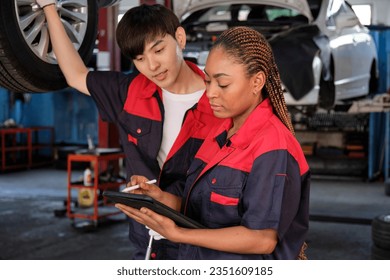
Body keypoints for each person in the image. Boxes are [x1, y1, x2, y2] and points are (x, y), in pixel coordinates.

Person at [35, 1, 222, 259]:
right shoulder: (130, 92)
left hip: (204, 236)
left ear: (179, 38)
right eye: (140, 59)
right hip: (148, 240)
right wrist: (48, 9)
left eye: (159, 50)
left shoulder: (220, 101)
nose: (152, 66)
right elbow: (76, 75)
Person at [116, 26, 311, 259]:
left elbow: (261, 239)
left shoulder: (273, 146)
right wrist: (158, 198)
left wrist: (179, 234)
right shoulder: (219, 132)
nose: (210, 93)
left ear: (257, 81)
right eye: (208, 81)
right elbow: (201, 208)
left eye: (223, 84)